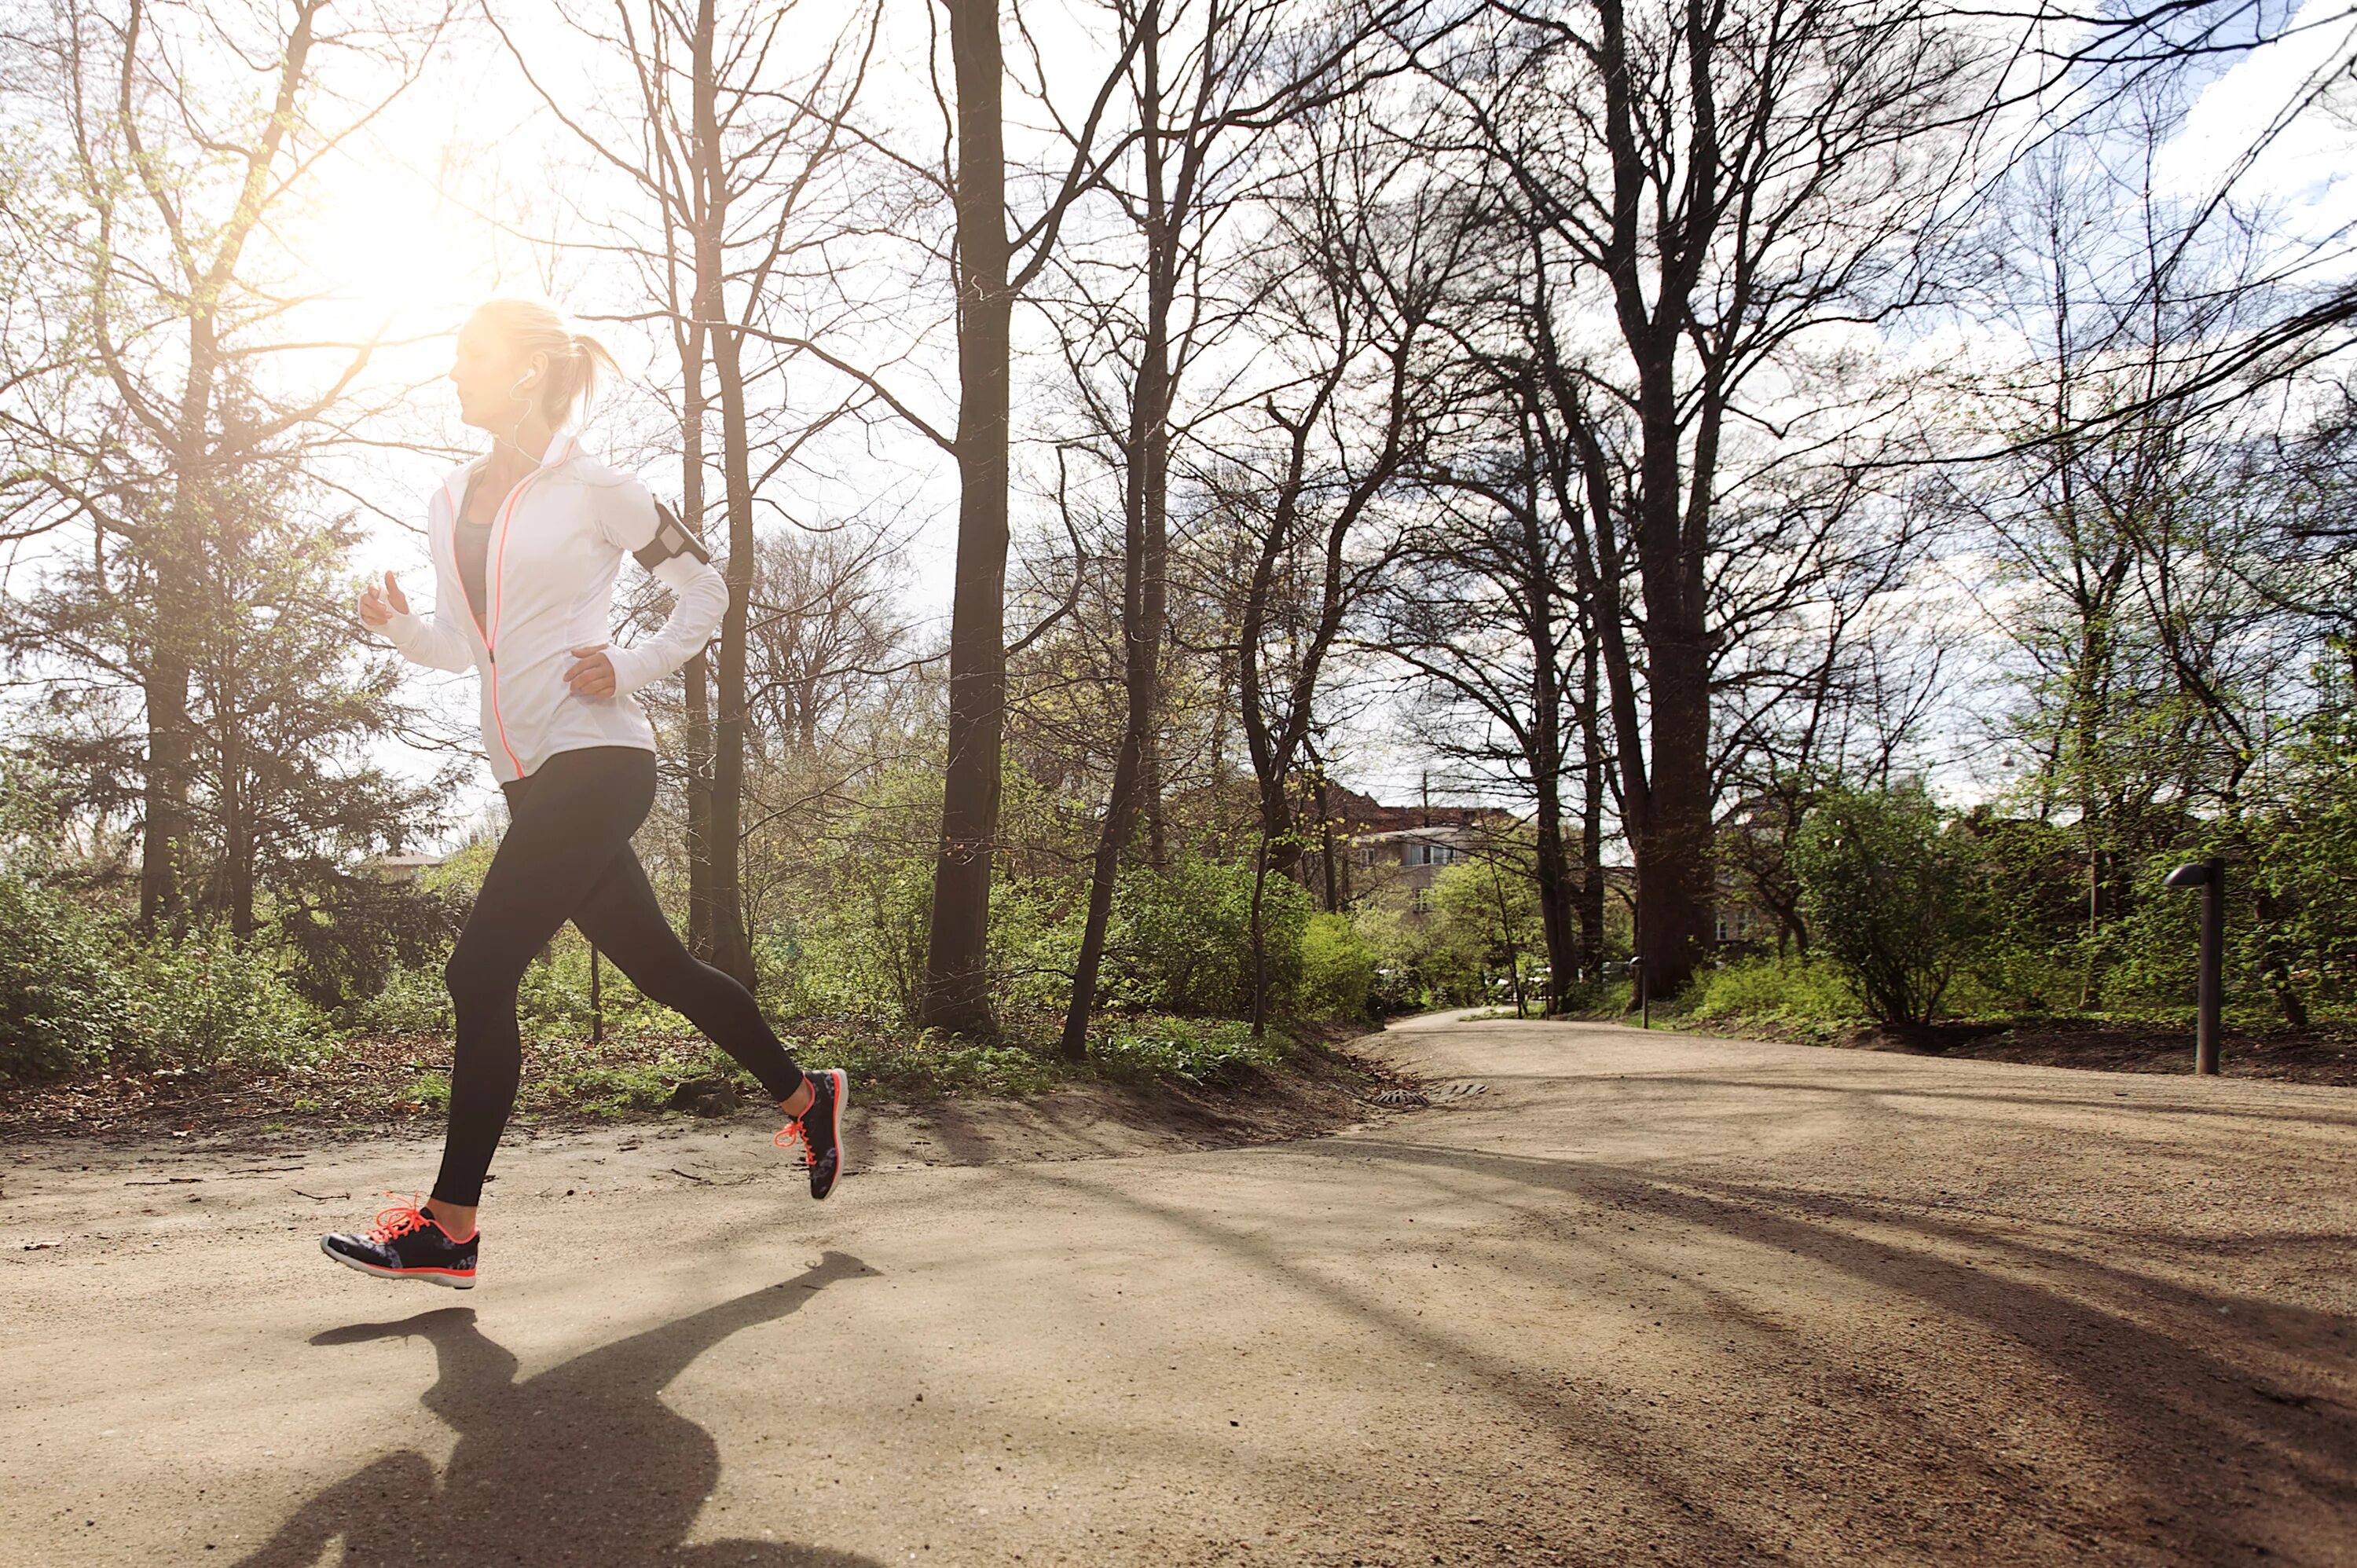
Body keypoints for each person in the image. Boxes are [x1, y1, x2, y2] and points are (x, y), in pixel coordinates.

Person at [324, 299, 846, 1290]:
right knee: (664, 970)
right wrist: (395, 625)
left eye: (469, 356)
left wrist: (633, 663)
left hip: (599, 758)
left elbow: (708, 588)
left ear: (526, 370)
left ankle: (449, 1228)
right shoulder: (449, 499)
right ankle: (805, 1094)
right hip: (529, 777)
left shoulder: (600, 488)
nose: (453, 374)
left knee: (478, 975)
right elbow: (460, 646)